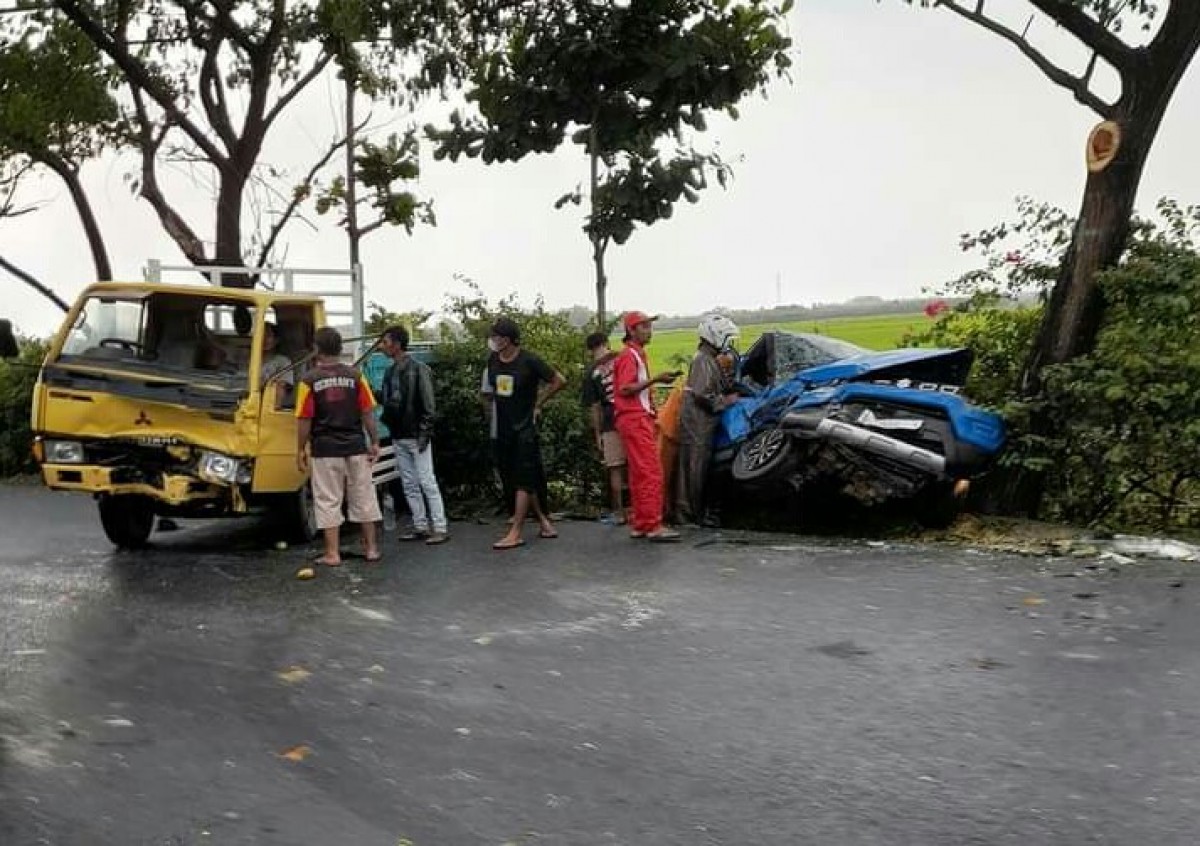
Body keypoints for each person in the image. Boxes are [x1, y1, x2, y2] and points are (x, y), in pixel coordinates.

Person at [294, 327, 382, 568]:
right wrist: (374, 441)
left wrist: (300, 448)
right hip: (356, 446)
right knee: (363, 495)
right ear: (340, 348)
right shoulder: (356, 376)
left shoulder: (308, 381)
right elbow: (367, 412)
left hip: (325, 449)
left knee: (328, 500)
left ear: (316, 349)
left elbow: (304, 419)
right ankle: (371, 549)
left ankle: (332, 554)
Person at [485, 317, 566, 550]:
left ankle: (516, 532)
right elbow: (492, 392)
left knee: (523, 478)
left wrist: (538, 403)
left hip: (524, 428)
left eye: (496, 336)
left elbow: (559, 380)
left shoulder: (529, 360)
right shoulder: (493, 360)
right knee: (519, 478)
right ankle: (544, 522)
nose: (493, 340)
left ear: (508, 339)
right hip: (504, 428)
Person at [612, 311, 681, 542]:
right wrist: (656, 379)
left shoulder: (633, 354)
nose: (649, 331)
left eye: (649, 326)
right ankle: (653, 525)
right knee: (651, 471)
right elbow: (624, 388)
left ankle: (642, 523)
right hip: (635, 418)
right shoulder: (629, 356)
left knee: (639, 473)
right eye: (643, 327)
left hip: (633, 418)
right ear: (631, 330)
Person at [379, 325, 450, 545]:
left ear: (397, 344)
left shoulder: (418, 369)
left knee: (426, 481)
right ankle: (422, 525)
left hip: (413, 433)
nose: (383, 346)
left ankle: (438, 526)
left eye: (386, 342)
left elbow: (428, 405)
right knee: (411, 482)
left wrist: (424, 433)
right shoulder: (395, 371)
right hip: (402, 433)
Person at [677, 314, 741, 526]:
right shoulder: (703, 360)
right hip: (697, 424)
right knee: (694, 469)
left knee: (697, 468)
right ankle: (689, 516)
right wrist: (725, 400)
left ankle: (692, 514)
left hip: (701, 423)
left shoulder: (708, 358)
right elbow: (702, 394)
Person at [581, 331, 627, 524]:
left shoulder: (591, 373)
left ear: (590, 350)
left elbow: (595, 407)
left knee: (615, 467)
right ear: (606, 342)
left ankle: (619, 512)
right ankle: (642, 509)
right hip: (630, 415)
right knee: (636, 464)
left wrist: (597, 433)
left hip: (609, 420)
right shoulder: (622, 358)